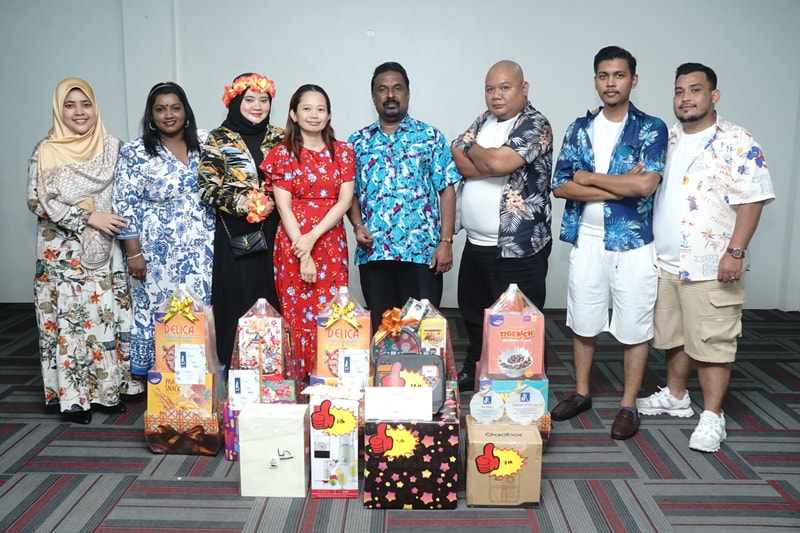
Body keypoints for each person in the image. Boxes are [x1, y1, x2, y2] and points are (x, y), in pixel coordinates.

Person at [637, 63, 775, 452]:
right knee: (675, 335)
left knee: (713, 343)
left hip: (712, 264)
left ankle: (713, 416)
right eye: (679, 91)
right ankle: (676, 396)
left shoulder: (737, 140)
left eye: (695, 90)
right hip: (667, 261)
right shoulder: (668, 139)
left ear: (714, 96)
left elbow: (753, 199)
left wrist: (735, 252)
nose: (686, 98)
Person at [550, 46, 667, 440]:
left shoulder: (651, 128)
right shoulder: (579, 129)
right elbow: (560, 185)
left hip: (633, 243)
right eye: (604, 75)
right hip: (587, 239)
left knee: (634, 325)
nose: (611, 83)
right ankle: (582, 393)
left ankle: (628, 404)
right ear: (596, 80)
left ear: (633, 80)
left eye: (619, 75)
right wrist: (619, 186)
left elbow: (645, 185)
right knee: (583, 322)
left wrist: (588, 178)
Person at [27, 78, 143, 424]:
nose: (79, 112)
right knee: (72, 323)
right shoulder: (45, 150)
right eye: (70, 105)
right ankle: (74, 399)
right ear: (59, 109)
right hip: (63, 254)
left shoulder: (113, 147)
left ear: (95, 107)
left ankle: (108, 392)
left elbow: (128, 192)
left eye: (86, 104)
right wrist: (89, 217)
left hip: (106, 250)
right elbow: (37, 200)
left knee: (105, 317)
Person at [450, 60, 553, 392]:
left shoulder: (535, 124)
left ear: (524, 88)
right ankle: (476, 368)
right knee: (473, 313)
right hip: (477, 242)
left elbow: (493, 160)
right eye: (490, 89)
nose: (496, 95)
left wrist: (477, 153)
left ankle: (522, 388)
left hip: (518, 246)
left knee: (518, 322)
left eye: (505, 87)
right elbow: (456, 154)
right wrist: (488, 162)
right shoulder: (484, 120)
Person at [348, 62, 461, 332]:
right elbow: (349, 192)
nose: (390, 95)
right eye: (382, 89)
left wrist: (445, 242)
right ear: (373, 96)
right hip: (375, 253)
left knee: (422, 331)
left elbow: (447, 189)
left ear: (408, 93)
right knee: (383, 331)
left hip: (422, 255)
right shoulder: (357, 142)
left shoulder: (430, 137)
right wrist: (357, 224)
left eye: (397, 88)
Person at [113, 82, 215, 376]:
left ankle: (202, 378)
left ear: (186, 111)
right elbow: (125, 203)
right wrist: (134, 254)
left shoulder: (207, 141)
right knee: (161, 310)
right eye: (160, 109)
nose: (168, 115)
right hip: (158, 254)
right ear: (151, 115)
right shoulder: (135, 151)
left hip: (205, 251)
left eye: (175, 108)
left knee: (202, 309)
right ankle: (164, 379)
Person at [261, 84, 355, 376]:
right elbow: (283, 206)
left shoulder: (343, 152)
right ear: (293, 114)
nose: (314, 115)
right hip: (293, 241)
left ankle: (329, 378)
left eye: (320, 109)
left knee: (331, 311)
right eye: (307, 108)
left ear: (328, 115)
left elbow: (344, 201)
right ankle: (297, 381)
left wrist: (313, 237)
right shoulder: (282, 154)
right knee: (296, 314)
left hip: (329, 241)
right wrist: (303, 253)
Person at [198, 73, 284, 369]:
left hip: (276, 230)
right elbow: (206, 187)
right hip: (234, 233)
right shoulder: (218, 138)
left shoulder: (280, 137)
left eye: (263, 100)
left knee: (272, 296)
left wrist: (273, 201)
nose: (257, 106)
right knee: (238, 299)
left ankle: (272, 370)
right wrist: (242, 202)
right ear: (234, 102)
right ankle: (237, 370)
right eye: (249, 100)